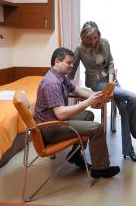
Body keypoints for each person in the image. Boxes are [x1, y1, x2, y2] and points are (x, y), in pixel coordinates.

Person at [34, 47, 120, 179]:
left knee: (88, 115)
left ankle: (74, 154)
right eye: (69, 62)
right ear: (57, 61)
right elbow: (61, 114)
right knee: (96, 128)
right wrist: (87, 102)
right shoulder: (52, 83)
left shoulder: (60, 77)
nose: (72, 65)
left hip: (52, 121)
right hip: (49, 129)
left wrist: (97, 96)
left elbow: (77, 90)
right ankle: (100, 169)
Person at [68, 21, 136, 164]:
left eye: (95, 37)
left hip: (110, 81)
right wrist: (63, 82)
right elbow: (72, 69)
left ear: (98, 35)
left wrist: (111, 83)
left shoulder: (105, 43)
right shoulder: (79, 48)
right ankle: (134, 132)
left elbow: (110, 64)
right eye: (89, 39)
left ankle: (129, 152)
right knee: (132, 96)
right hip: (96, 84)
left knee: (125, 110)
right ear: (84, 38)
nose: (93, 41)